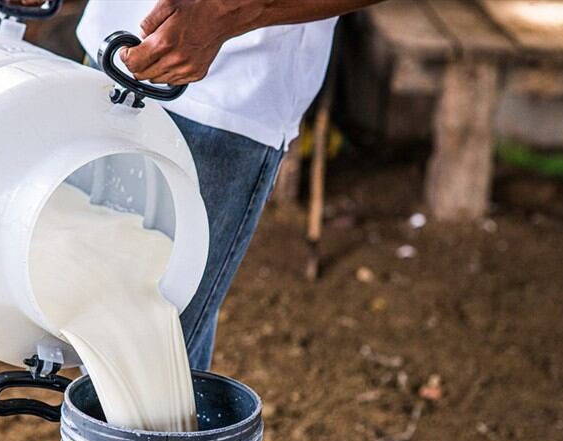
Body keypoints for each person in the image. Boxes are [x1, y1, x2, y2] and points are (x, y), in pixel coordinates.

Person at [22, 0, 383, 370]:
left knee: (149, 364)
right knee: (94, 328)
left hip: (223, 94)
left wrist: (226, 12)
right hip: (108, 51)